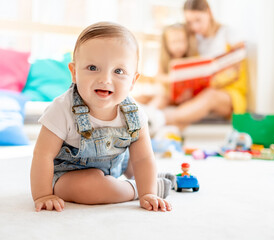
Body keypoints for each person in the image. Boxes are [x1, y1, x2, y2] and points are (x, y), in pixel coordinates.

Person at [30, 22, 173, 212]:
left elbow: (144, 159)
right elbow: (43, 155)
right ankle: (134, 189)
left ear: (133, 81)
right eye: (92, 67)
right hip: (68, 176)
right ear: (74, 72)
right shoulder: (62, 109)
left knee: (137, 160)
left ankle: (147, 186)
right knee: (90, 189)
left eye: (118, 71)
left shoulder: (134, 114)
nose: (105, 79)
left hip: (116, 167)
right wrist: (43, 195)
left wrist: (149, 194)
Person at [148, 0, 248, 130]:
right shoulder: (195, 39)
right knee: (159, 96)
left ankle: (158, 119)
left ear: (209, 13)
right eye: (190, 22)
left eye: (198, 20)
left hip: (228, 93)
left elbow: (236, 69)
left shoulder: (228, 33)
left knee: (210, 95)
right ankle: (145, 116)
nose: (195, 26)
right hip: (201, 91)